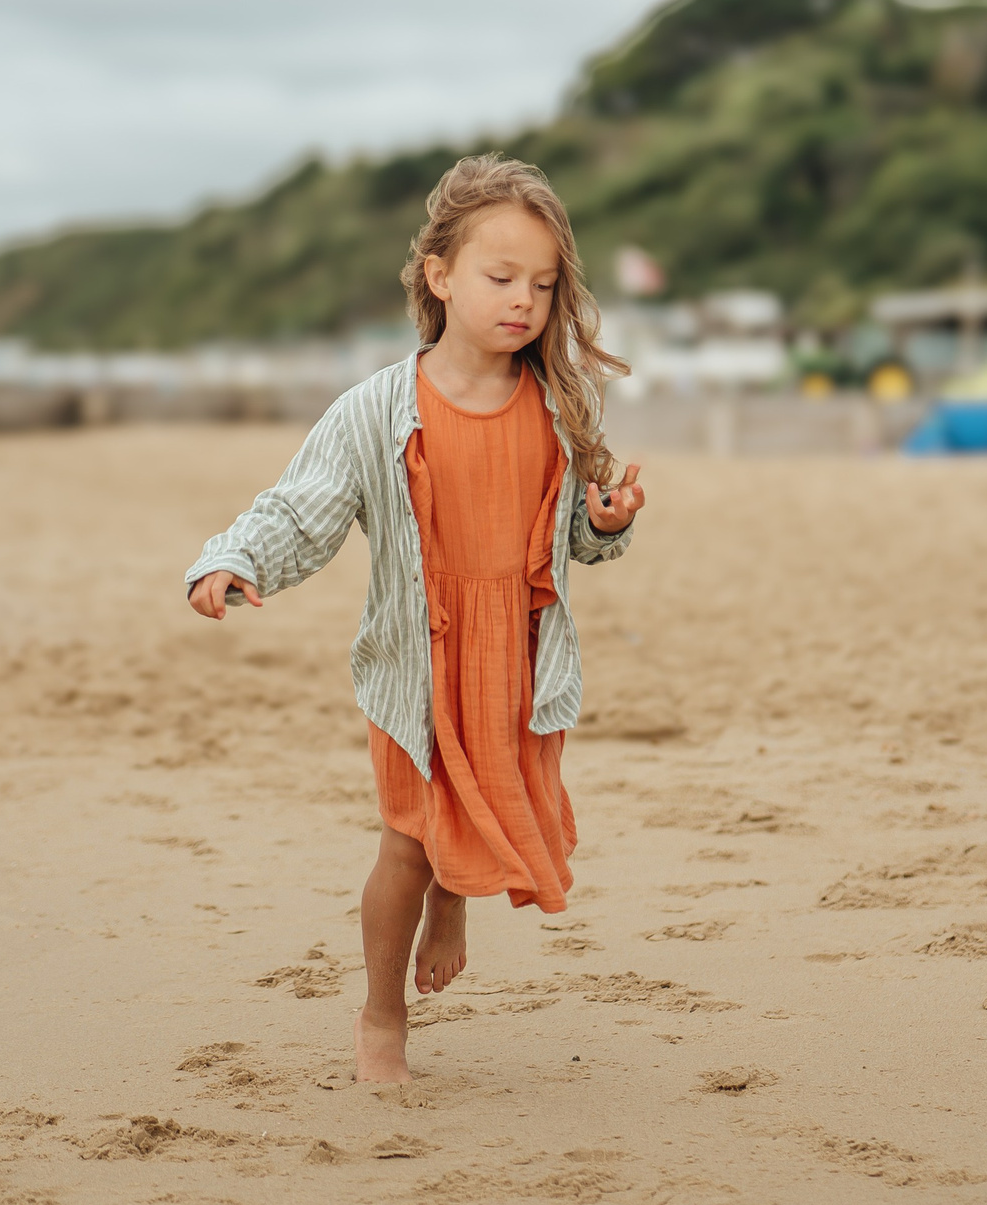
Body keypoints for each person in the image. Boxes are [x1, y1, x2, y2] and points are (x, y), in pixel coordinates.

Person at [184, 154, 647, 1084]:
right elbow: (302, 508)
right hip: (417, 666)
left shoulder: (562, 405)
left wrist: (605, 524)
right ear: (440, 275)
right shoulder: (374, 411)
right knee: (409, 839)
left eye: (545, 285)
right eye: (501, 276)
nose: (525, 300)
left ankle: (456, 900)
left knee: (476, 817)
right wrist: (231, 557)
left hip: (515, 666)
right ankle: (382, 1018)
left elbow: (577, 546)